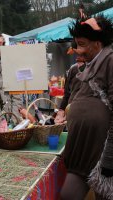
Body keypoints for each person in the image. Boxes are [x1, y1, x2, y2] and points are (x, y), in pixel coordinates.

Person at [60, 16, 113, 200]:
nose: (77, 50)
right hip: (83, 151)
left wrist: (109, 157)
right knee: (68, 195)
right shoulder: (89, 67)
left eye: (82, 44)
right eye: (76, 44)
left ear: (97, 44)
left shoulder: (110, 62)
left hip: (102, 153)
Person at [54, 43, 85, 124]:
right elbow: (67, 93)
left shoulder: (94, 68)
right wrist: (61, 111)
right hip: (71, 109)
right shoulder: (73, 69)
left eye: (80, 54)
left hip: (86, 110)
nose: (77, 57)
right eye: (76, 54)